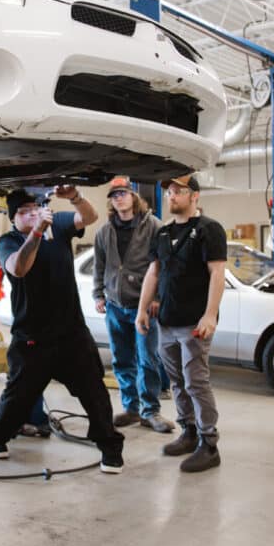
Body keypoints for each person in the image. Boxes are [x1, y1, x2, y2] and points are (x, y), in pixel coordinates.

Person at [0, 187, 125, 473]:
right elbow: (17, 268)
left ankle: (110, 448)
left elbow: (89, 216)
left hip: (71, 334)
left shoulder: (57, 225)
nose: (32, 213)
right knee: (17, 398)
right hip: (32, 339)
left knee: (95, 394)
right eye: (23, 211)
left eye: (34, 207)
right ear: (14, 218)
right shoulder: (9, 241)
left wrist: (75, 196)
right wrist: (35, 233)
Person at [136, 174, 227, 473]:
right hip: (167, 322)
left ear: (195, 196)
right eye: (169, 192)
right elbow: (153, 272)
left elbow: (217, 273)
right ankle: (188, 431)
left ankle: (208, 443)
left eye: (179, 191)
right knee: (176, 382)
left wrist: (210, 314)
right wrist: (142, 311)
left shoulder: (208, 230)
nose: (171, 196)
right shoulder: (162, 234)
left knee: (196, 381)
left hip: (194, 323)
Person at [93, 176, 173, 433]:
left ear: (134, 195)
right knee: (121, 359)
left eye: (123, 193)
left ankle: (151, 411)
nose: (119, 199)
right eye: (114, 195)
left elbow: (163, 266)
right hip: (115, 306)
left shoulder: (154, 227)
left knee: (148, 360)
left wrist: (158, 298)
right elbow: (100, 265)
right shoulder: (105, 231)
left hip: (144, 307)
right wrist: (98, 294)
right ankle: (131, 409)